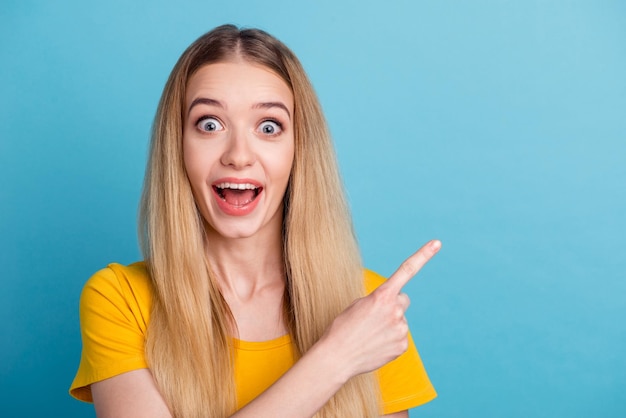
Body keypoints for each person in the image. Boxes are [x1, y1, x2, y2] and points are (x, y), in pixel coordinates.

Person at [69, 24, 440, 417]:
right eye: (209, 124)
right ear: (177, 146)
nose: (239, 154)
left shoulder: (370, 308)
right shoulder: (120, 300)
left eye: (269, 127)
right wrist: (337, 358)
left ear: (299, 150)